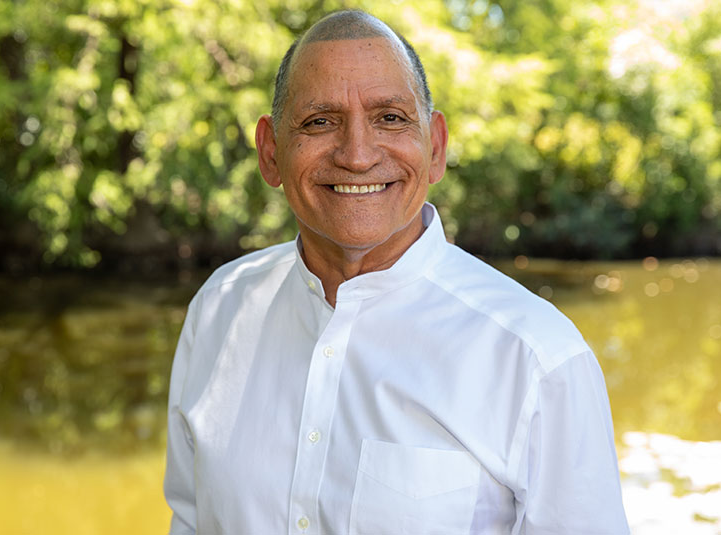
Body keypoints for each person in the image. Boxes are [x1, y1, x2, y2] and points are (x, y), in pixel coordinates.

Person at [164, 9, 630, 535]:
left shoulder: (535, 357)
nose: (358, 156)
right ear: (271, 152)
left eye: (389, 117)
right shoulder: (219, 310)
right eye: (320, 121)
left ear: (435, 146)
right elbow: (191, 519)